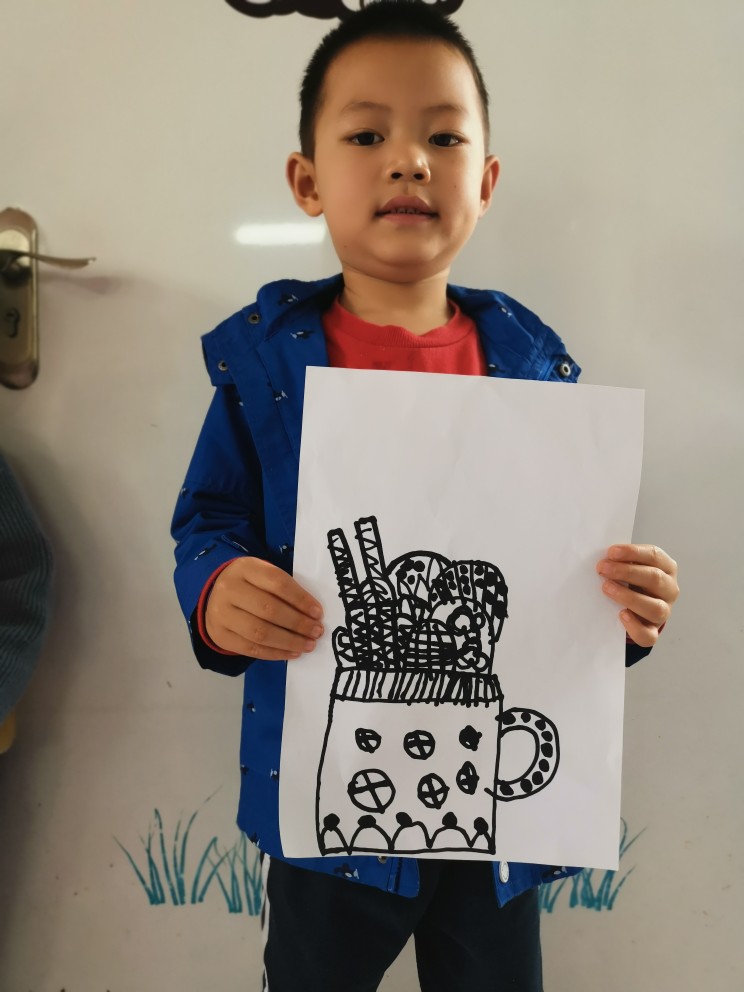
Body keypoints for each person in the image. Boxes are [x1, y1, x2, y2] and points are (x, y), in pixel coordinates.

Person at [171, 3, 680, 988]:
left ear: (485, 182)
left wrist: (625, 611)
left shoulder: (533, 370)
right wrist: (217, 586)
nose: (409, 160)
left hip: (492, 811)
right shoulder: (266, 368)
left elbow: (561, 579)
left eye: (444, 138)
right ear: (307, 181)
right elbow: (209, 520)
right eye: (368, 136)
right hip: (333, 804)